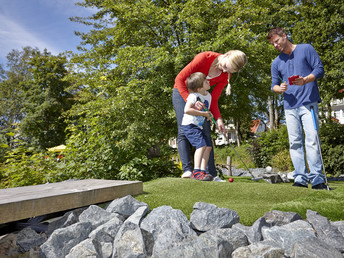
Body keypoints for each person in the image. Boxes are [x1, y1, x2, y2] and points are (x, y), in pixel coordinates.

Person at [173, 50, 248, 181]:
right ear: (227, 55)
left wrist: (219, 119)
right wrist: (191, 102)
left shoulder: (225, 76)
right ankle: (187, 170)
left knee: (206, 133)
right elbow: (179, 79)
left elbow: (214, 99)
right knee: (183, 130)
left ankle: (210, 174)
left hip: (202, 98)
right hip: (182, 92)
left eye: (228, 71)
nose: (224, 71)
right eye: (225, 67)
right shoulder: (204, 58)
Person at [267, 27, 326, 190]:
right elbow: (273, 85)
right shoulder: (276, 62)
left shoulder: (306, 49)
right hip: (290, 107)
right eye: (273, 44)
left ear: (284, 36)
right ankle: (300, 177)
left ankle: (317, 179)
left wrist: (306, 79)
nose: (276, 45)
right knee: (295, 142)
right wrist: (277, 89)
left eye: (277, 41)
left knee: (312, 140)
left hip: (309, 102)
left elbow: (319, 69)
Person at [182, 72, 213, 181]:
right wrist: (203, 114)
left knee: (208, 147)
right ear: (199, 88)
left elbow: (206, 110)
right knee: (201, 146)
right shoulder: (193, 96)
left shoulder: (208, 96)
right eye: (205, 82)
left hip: (198, 126)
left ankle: (203, 172)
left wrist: (209, 115)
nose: (208, 82)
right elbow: (187, 110)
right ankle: (196, 172)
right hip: (189, 125)